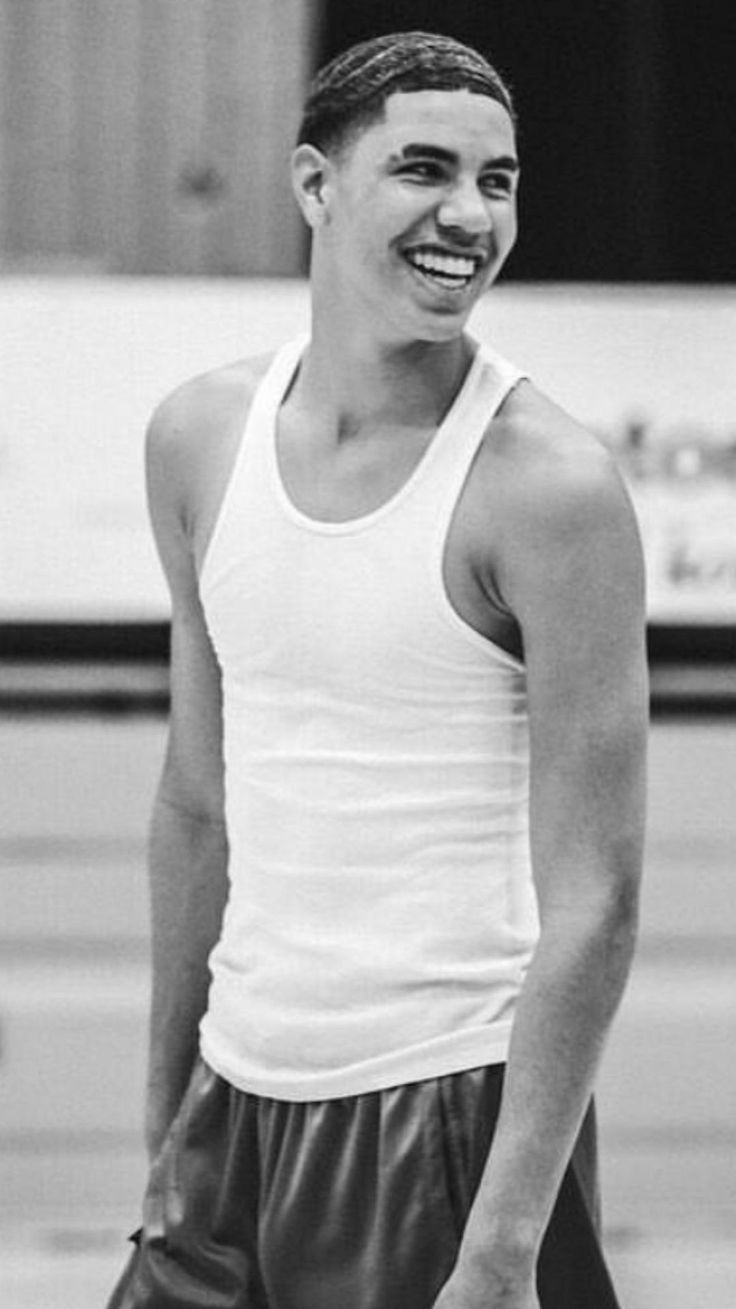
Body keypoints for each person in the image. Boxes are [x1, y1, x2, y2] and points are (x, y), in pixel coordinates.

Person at [108, 30, 648, 1309]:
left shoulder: (550, 491)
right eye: (424, 169)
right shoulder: (196, 437)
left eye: (499, 180)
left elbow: (599, 900)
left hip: (446, 1121)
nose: (469, 215)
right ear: (315, 185)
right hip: (229, 1104)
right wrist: (164, 1107)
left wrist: (505, 1243)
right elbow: (197, 796)